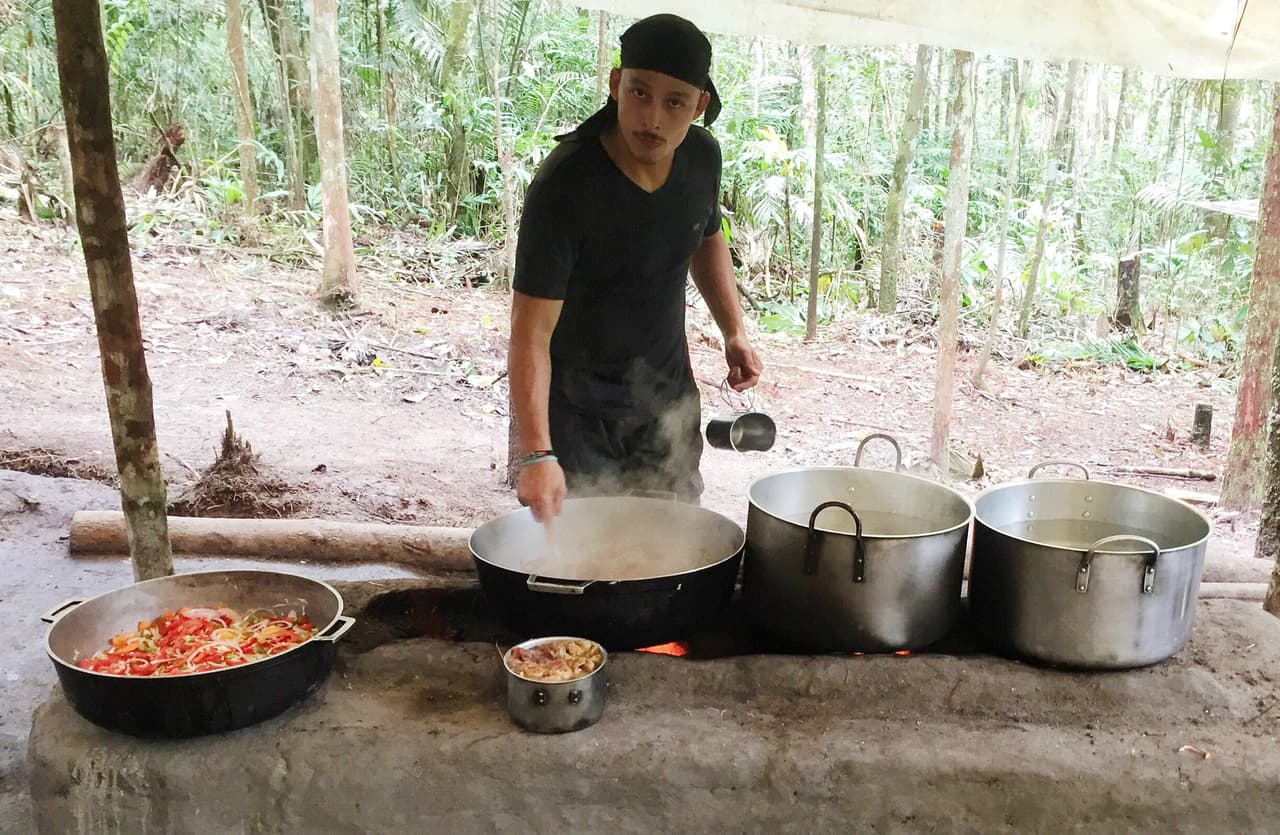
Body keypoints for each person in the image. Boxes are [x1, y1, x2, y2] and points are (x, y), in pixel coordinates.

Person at [508, 13, 762, 522]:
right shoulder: (567, 184)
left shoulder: (702, 159)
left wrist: (733, 330)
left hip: (667, 403)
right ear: (616, 83)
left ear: (699, 106)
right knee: (583, 558)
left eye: (675, 103)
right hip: (579, 413)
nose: (653, 119)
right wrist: (538, 453)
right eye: (640, 93)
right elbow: (529, 332)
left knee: (670, 547)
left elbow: (706, 237)